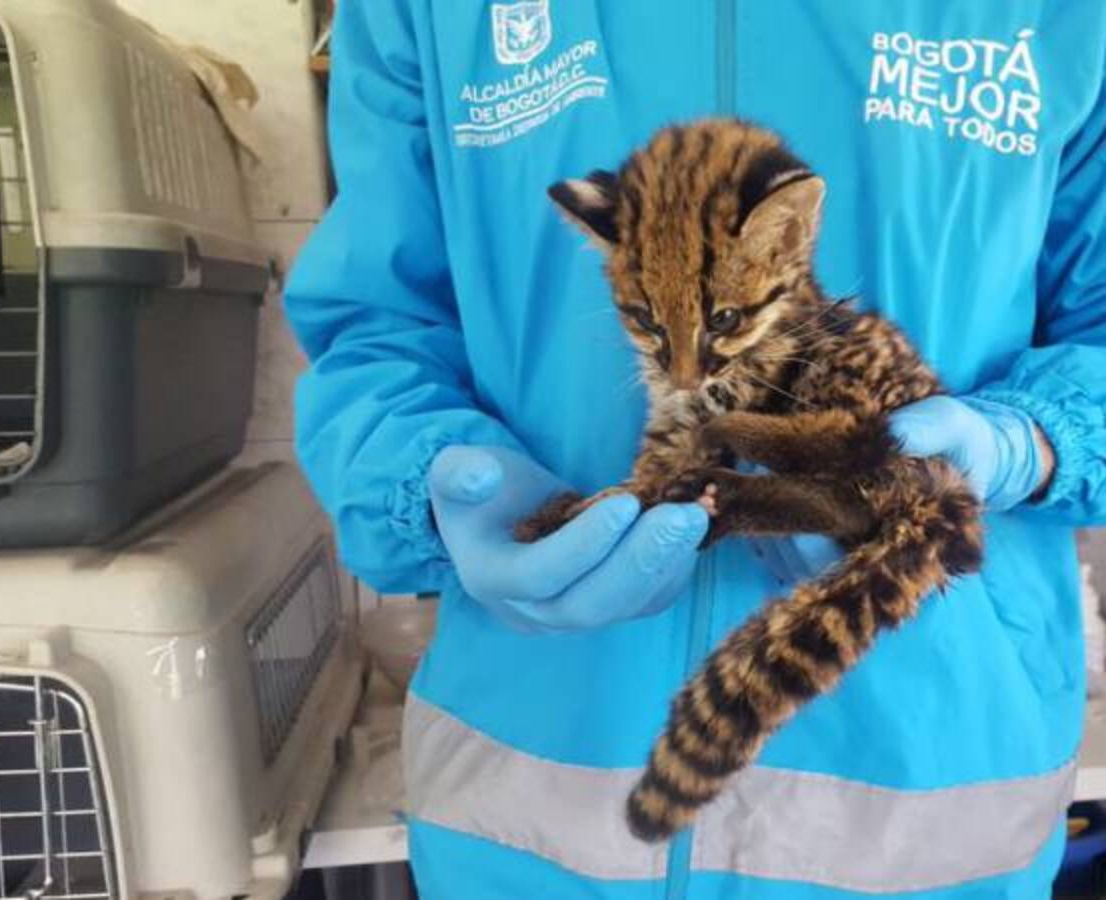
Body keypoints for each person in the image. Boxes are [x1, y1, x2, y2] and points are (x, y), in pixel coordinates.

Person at [286, 2, 1106, 896]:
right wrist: (421, 471)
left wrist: (1030, 442)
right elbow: (378, 325)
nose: (679, 368)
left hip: (931, 814)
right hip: (529, 818)